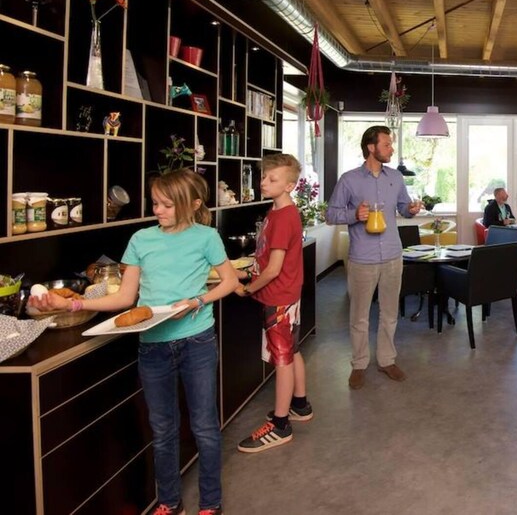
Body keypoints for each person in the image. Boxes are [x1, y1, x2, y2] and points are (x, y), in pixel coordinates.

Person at [29, 169, 239, 515]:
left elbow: (229, 281)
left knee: (204, 426)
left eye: (167, 205)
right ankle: (169, 502)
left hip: (196, 341)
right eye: (155, 203)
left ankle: (210, 503)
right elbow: (126, 298)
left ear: (193, 204)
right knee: (162, 429)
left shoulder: (207, 237)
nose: (158, 210)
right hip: (152, 346)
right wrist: (72, 304)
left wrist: (197, 301)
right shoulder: (141, 239)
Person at [327, 125, 422, 390]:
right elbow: (331, 214)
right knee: (359, 316)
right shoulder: (349, 180)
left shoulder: (397, 178)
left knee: (390, 313)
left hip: (393, 255)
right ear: (372, 147)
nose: (391, 149)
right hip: (362, 258)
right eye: (387, 144)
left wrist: (411, 209)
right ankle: (359, 364)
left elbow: (403, 208)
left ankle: (386, 360)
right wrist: (354, 215)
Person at [236, 154, 311, 454]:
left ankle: (280, 425)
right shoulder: (277, 211)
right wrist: (248, 273)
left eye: (272, 179)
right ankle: (300, 405)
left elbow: (273, 270)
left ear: (289, 186)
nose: (263, 182)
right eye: (263, 177)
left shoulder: (283, 217)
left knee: (282, 360)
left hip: (278, 297)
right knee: (292, 350)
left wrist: (247, 289)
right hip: (286, 294)